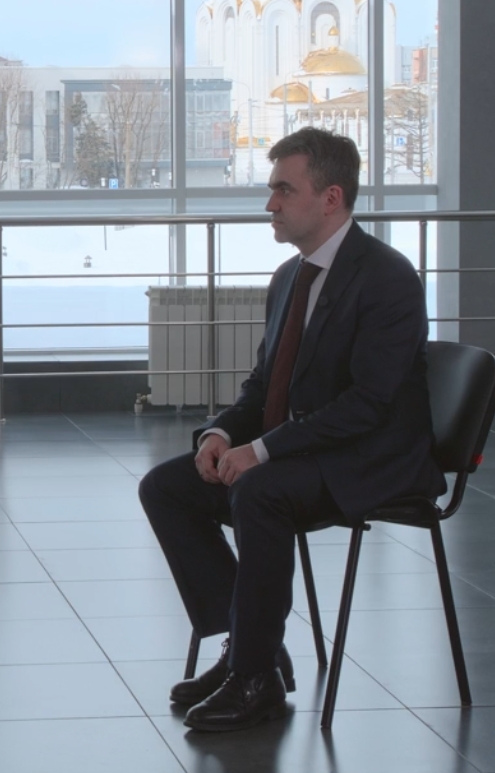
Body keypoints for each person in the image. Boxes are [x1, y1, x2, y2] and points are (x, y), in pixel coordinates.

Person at [138, 128, 443, 732]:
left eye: (283, 189)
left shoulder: (387, 278)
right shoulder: (289, 277)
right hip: (311, 450)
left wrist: (263, 451)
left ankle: (254, 679)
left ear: (331, 198)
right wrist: (220, 435)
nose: (270, 204)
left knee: (260, 491)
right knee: (166, 488)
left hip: (370, 460)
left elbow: (368, 407)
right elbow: (264, 386)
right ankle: (252, 648)